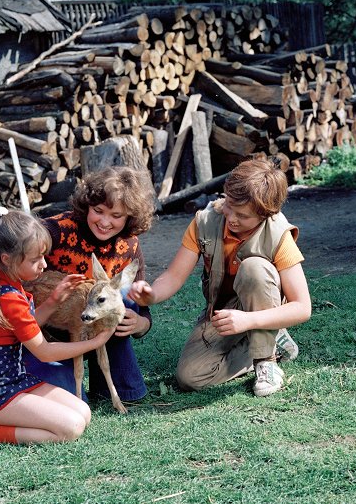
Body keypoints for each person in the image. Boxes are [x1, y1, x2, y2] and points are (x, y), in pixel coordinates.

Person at [129, 159, 312, 397]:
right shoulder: (205, 221)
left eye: (243, 215)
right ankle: (269, 340)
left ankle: (266, 361)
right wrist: (152, 295)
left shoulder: (278, 234)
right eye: (229, 206)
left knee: (254, 268)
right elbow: (173, 276)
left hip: (263, 306)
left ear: (266, 214)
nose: (231, 218)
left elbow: (302, 307)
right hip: (222, 312)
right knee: (190, 377)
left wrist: (249, 320)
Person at [0, 207, 115, 445]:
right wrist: (95, 342)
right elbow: (44, 351)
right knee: (70, 429)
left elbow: (23, 329)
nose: (43, 265)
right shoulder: (8, 298)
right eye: (35, 259)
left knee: (83, 412)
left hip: (12, 379)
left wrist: (53, 301)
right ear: (7, 259)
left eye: (43, 256)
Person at [23, 166, 156, 404]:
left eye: (116, 216)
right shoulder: (57, 230)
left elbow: (141, 303)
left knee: (123, 295)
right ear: (87, 206)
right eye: (98, 211)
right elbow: (2, 255)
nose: (105, 222)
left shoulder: (130, 246)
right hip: (51, 331)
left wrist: (141, 324)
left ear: (130, 217)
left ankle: (108, 382)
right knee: (67, 403)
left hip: (97, 324)